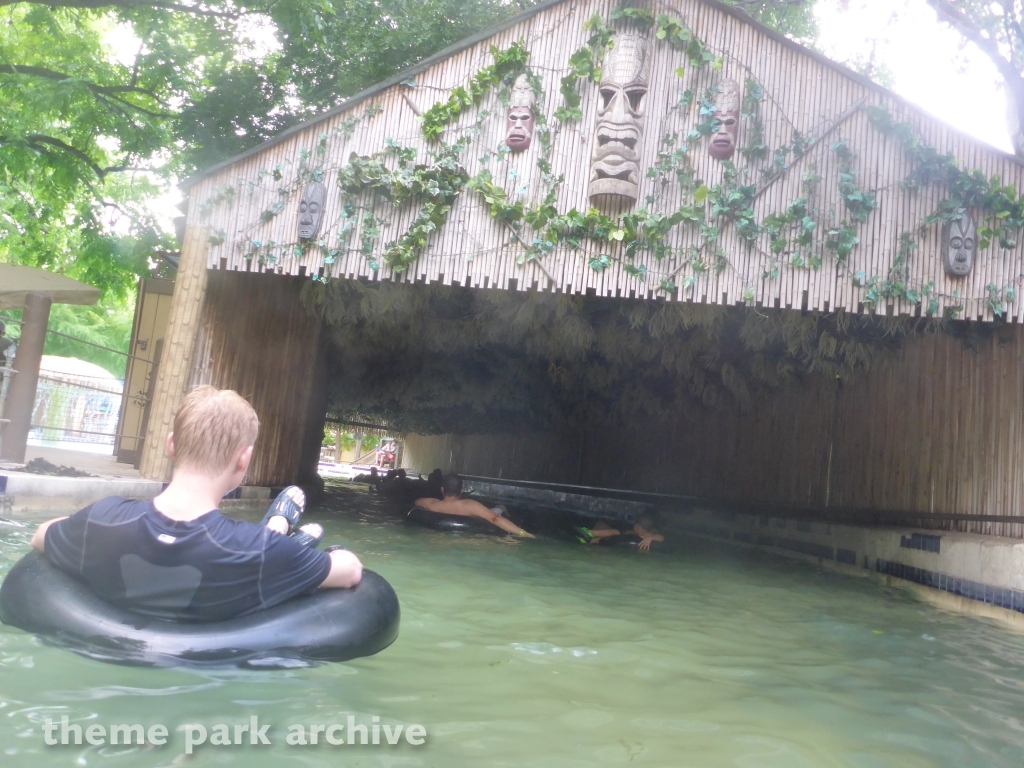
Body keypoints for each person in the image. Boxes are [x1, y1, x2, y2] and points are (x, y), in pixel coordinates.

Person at [29, 386, 363, 622]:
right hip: (256, 564)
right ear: (243, 459)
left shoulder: (102, 520)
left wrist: (81, 522)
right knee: (278, 550)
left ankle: (278, 529)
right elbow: (350, 572)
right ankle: (277, 529)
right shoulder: (256, 550)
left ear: (171, 445)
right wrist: (334, 553)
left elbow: (40, 535)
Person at [414, 473, 535, 538]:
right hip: (482, 519)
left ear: (442, 489)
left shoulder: (432, 504)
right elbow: (495, 519)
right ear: (461, 490)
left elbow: (417, 502)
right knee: (501, 507)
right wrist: (524, 534)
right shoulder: (469, 505)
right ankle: (506, 511)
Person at [575, 513, 664, 551]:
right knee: (613, 532)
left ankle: (589, 534)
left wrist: (650, 538)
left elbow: (661, 538)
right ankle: (589, 536)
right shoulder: (638, 529)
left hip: (621, 538)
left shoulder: (652, 532)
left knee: (615, 532)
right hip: (622, 537)